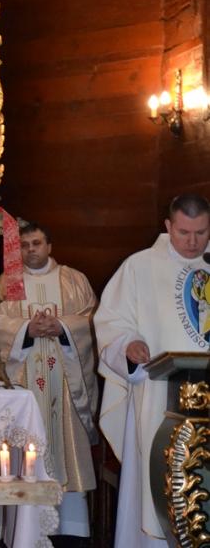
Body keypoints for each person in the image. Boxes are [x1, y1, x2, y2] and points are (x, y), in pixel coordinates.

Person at [94, 193, 210, 548]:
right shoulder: (139, 267)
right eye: (184, 232)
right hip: (158, 400)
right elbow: (112, 322)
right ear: (168, 226)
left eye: (201, 232)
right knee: (154, 488)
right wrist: (128, 346)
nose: (193, 242)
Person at [0, 221, 98, 547]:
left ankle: (71, 532)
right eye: (24, 245)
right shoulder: (5, 284)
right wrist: (24, 331)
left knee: (65, 454)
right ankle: (22, 532)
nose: (31, 249)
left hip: (65, 387)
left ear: (49, 246)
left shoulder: (73, 281)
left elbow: (91, 319)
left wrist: (62, 327)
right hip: (24, 388)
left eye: (37, 243)